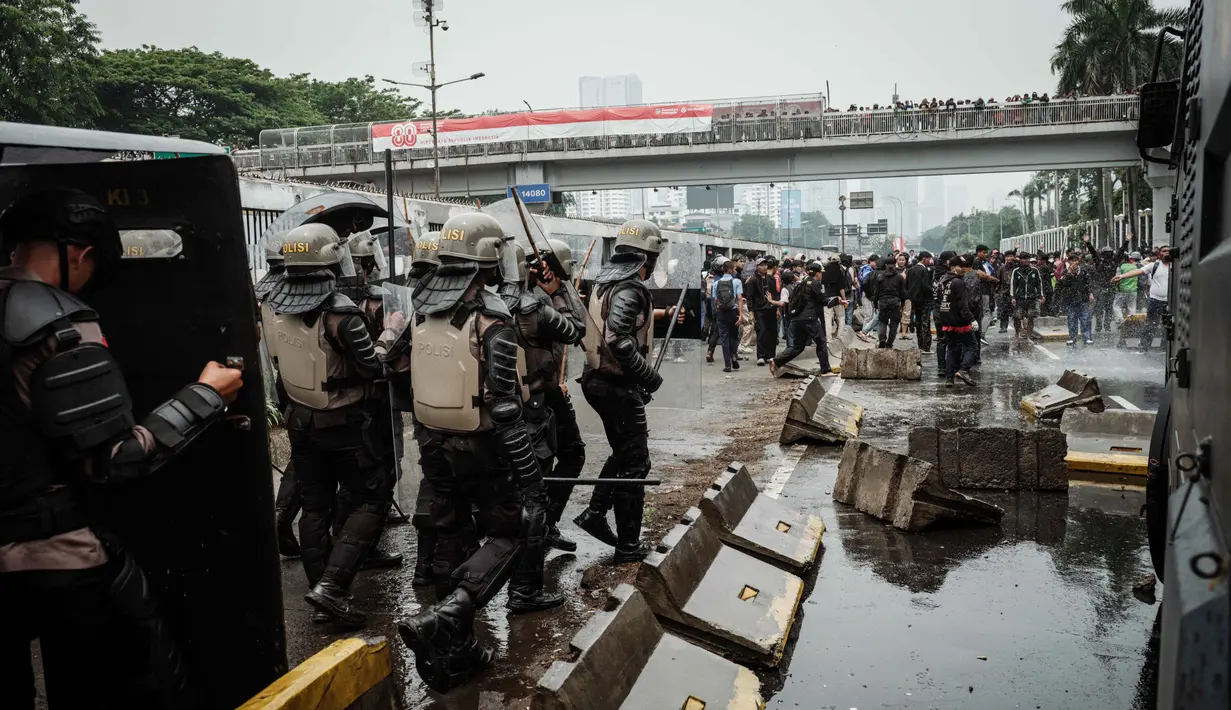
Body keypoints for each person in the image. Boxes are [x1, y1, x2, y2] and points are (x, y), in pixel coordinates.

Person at [0, 189, 244, 708]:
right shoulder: (57, 327)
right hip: (55, 556)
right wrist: (205, 397)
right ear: (81, 254)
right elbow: (116, 461)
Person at [397, 213, 547, 693]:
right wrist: (530, 479)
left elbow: (396, 364)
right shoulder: (493, 320)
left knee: (450, 532)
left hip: (435, 439)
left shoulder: (423, 309)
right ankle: (452, 612)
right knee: (515, 530)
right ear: (488, 260)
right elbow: (505, 406)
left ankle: (453, 650)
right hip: (481, 445)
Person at [262, 224, 388, 626]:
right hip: (344, 424)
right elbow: (370, 369)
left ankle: (322, 592)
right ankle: (332, 586)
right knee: (371, 498)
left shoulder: (277, 307)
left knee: (315, 507)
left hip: (301, 421)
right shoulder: (341, 315)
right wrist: (387, 341)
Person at [574, 219, 680, 563]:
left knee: (624, 454)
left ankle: (594, 512)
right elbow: (618, 338)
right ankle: (628, 546)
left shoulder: (605, 282)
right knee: (636, 464)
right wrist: (647, 376)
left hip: (601, 380)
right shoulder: (629, 287)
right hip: (614, 384)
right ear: (646, 257)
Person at [769, 260, 846, 377]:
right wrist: (838, 300)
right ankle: (825, 370)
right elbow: (823, 300)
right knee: (821, 342)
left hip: (797, 319)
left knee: (797, 347)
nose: (822, 275)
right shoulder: (814, 284)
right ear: (817, 273)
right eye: (821, 273)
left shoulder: (802, 283)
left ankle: (776, 361)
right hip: (809, 319)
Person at [1113, 245, 1170, 352]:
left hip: (1171, 301)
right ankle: (1144, 348)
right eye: (1164, 251)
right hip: (1155, 300)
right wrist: (1122, 276)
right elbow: (1137, 272)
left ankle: (1165, 347)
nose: (1167, 252)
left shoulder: (1176, 266)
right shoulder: (1154, 265)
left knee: (1168, 326)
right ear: (1159, 254)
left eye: (1168, 251)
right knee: (1151, 325)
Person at [934, 254, 977, 387]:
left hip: (946, 319)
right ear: (953, 267)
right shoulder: (959, 282)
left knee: (952, 349)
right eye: (961, 266)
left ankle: (949, 378)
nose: (964, 269)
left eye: (965, 266)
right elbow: (963, 305)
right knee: (972, 346)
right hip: (960, 320)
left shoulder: (942, 280)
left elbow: (938, 300)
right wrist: (972, 319)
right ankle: (963, 370)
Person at [1054, 252, 1096, 345]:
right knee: (1072, 319)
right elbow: (1061, 284)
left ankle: (1087, 337)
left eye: (1076, 260)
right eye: (1072, 260)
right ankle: (1072, 337)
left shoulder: (1083, 271)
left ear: (1078, 261)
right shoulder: (1065, 272)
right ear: (1069, 262)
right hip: (1070, 299)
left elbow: (1089, 283)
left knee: (1085, 318)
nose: (1074, 262)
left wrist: (1091, 293)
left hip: (1083, 298)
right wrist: (1069, 274)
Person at [710, 257, 743, 373]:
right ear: (729, 270)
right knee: (734, 336)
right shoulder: (737, 282)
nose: (735, 271)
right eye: (734, 269)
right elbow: (739, 299)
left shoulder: (716, 283)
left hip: (721, 313)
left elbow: (715, 300)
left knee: (724, 338)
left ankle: (727, 365)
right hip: (733, 312)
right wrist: (741, 315)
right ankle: (734, 355)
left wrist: (717, 311)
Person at [745, 257, 779, 365]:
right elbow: (749, 297)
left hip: (771, 309)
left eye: (765, 265)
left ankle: (771, 355)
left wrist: (777, 308)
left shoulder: (771, 279)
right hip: (759, 310)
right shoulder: (752, 280)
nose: (764, 267)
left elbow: (775, 294)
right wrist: (751, 312)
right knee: (761, 332)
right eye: (761, 265)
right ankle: (761, 356)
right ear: (757, 266)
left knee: (772, 333)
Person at [1010, 255, 1045, 342]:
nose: (1026, 260)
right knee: (1017, 317)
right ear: (1021, 260)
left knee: (1031, 318)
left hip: (1032, 298)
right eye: (1024, 258)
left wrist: (1041, 295)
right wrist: (1013, 297)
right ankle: (1017, 334)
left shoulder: (1034, 270)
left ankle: (1029, 336)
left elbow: (1039, 284)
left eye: (1027, 259)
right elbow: (1013, 285)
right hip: (1020, 298)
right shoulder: (1016, 271)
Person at [904, 251, 934, 352]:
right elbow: (926, 286)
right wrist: (933, 290)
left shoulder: (910, 270)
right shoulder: (924, 270)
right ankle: (926, 347)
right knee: (925, 323)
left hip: (914, 300)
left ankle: (920, 344)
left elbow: (906, 285)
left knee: (918, 322)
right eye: (929, 259)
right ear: (924, 258)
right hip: (925, 300)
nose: (930, 261)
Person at [876, 259, 906, 348]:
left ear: (885, 265)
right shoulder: (899, 277)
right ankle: (889, 343)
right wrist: (903, 303)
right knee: (894, 324)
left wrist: (875, 303)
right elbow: (903, 292)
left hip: (883, 301)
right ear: (895, 264)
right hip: (895, 302)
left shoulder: (880, 276)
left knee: (882, 321)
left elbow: (876, 292)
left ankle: (882, 339)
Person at [1113, 251, 1140, 324]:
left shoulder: (1121, 267)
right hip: (1133, 290)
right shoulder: (1134, 266)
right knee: (1131, 307)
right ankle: (1132, 321)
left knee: (1117, 306)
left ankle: (1120, 320)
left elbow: (1117, 278)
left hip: (1122, 290)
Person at [995, 251, 1019, 333]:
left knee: (1016, 311)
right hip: (1004, 292)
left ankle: (1018, 328)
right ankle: (1003, 327)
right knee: (1003, 311)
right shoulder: (1002, 268)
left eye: (1011, 256)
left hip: (1015, 293)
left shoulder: (1017, 267)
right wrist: (997, 292)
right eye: (1007, 256)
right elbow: (999, 280)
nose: (1009, 258)